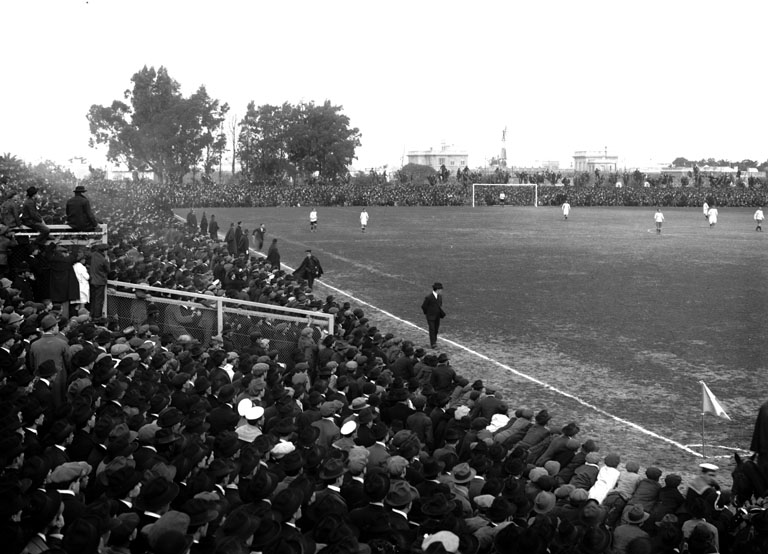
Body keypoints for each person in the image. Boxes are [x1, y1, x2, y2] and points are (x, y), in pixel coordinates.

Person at [421, 282, 445, 349]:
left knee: (436, 329)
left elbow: (440, 305)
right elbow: (424, 306)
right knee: (432, 329)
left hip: (437, 316)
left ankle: (434, 341)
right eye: (441, 290)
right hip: (430, 316)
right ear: (437, 289)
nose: (441, 291)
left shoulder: (440, 297)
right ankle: (433, 344)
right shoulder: (429, 297)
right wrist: (428, 313)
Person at [89, 243, 109, 318]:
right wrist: (107, 260)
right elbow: (108, 269)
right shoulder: (103, 260)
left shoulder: (93, 255)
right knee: (99, 300)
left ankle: (92, 314)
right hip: (100, 282)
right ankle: (97, 316)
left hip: (93, 281)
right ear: (104, 251)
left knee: (93, 299)